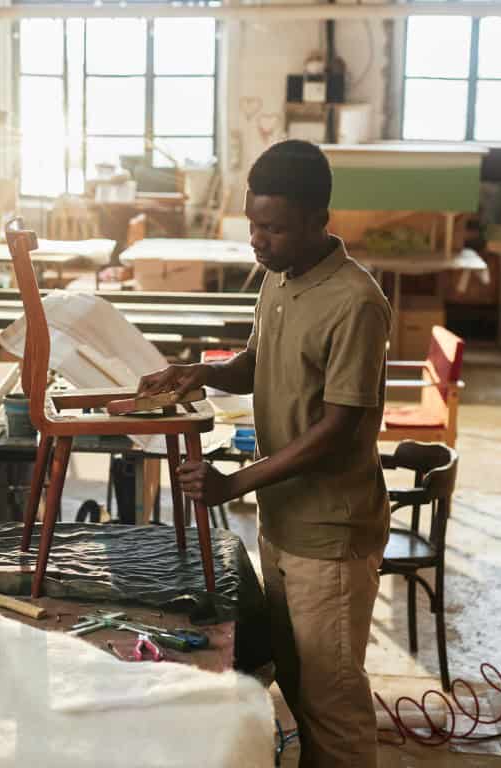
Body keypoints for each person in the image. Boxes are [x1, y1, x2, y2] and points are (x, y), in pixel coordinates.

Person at [138, 140, 391, 767]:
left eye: (274, 228)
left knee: (333, 698)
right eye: (253, 223)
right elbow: (257, 363)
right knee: (299, 683)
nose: (258, 240)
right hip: (284, 520)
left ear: (317, 221)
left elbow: (339, 425)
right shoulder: (280, 277)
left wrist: (235, 483)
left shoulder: (355, 302)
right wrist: (197, 371)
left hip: (330, 530)